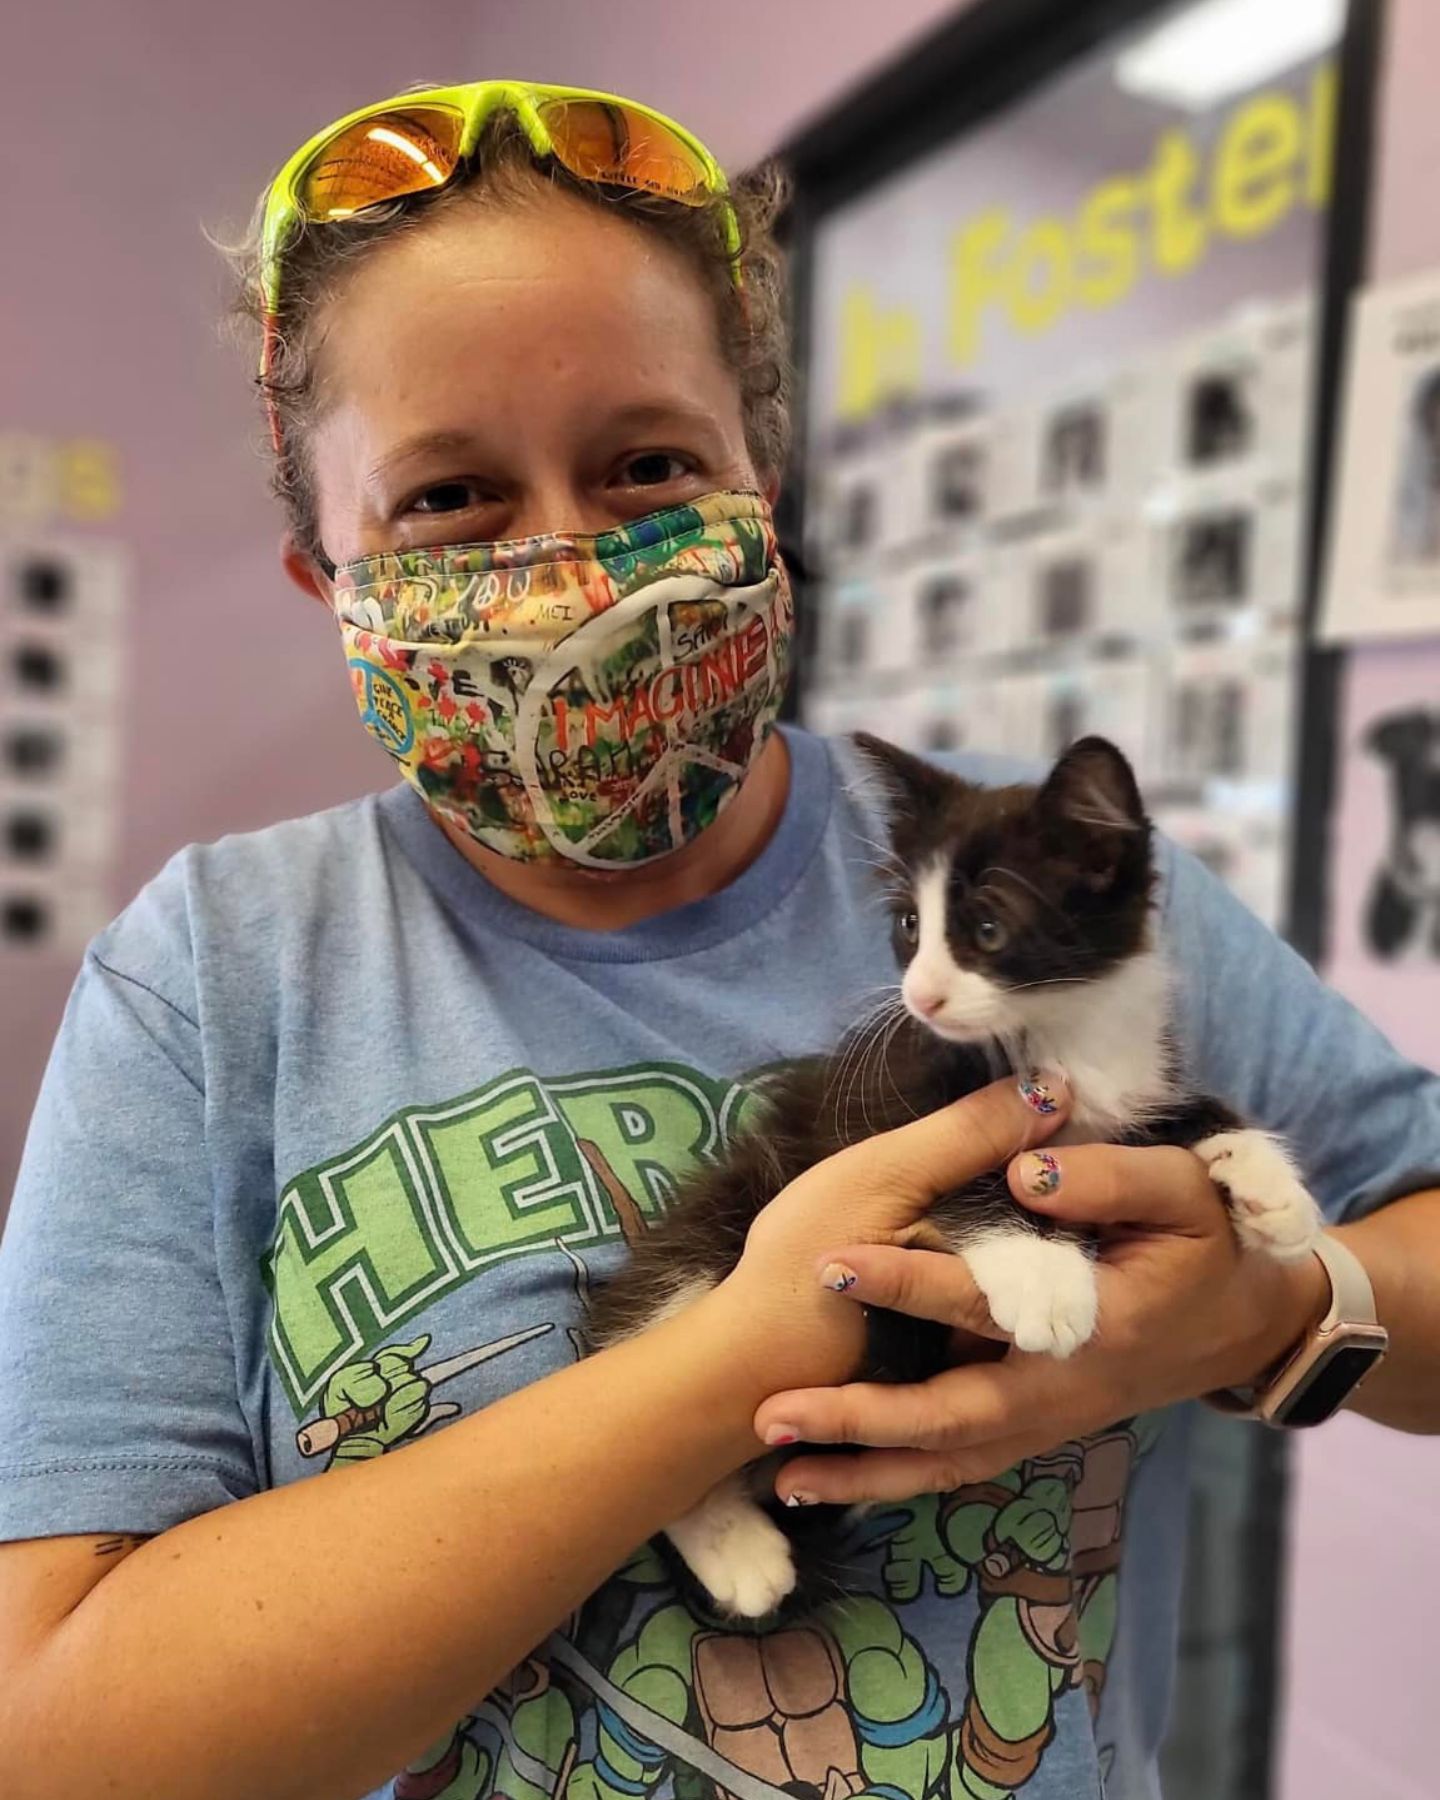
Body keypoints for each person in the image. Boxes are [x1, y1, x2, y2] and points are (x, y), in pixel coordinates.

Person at [0, 80, 1437, 1800]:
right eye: (450, 499)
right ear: (332, 578)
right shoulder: (214, 980)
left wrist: (1276, 1307)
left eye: (648, 465)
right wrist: (736, 1357)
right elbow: (62, 1744)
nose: (571, 564)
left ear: (764, 482)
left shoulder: (1048, 895)